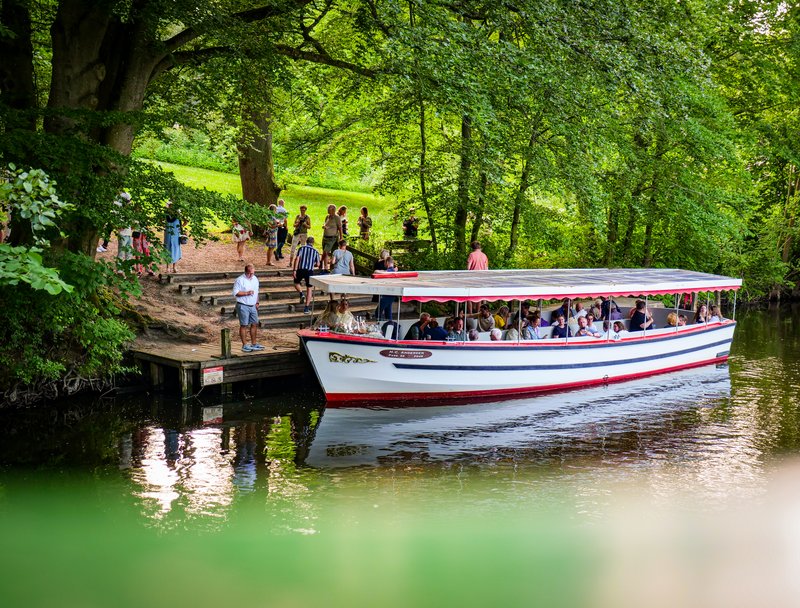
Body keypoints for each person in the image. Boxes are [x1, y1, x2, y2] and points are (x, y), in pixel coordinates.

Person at [232, 264, 263, 352]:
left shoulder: (255, 279)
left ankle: (254, 343)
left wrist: (257, 302)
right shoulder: (240, 280)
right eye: (249, 273)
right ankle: (244, 344)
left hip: (253, 305)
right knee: (244, 325)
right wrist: (246, 293)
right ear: (246, 272)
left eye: (252, 273)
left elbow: (257, 292)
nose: (251, 275)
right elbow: (235, 293)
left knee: (254, 324)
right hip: (243, 305)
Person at [293, 236, 321, 314]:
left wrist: (294, 270)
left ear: (306, 241)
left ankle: (301, 293)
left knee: (296, 283)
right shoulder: (316, 251)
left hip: (300, 269)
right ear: (313, 243)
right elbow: (318, 264)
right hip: (309, 271)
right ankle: (306, 308)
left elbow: (297, 259)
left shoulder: (301, 248)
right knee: (309, 289)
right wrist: (313, 264)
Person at [321, 204, 343, 272]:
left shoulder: (337, 218)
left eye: (329, 210)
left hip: (332, 238)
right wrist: (324, 226)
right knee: (325, 251)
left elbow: (340, 228)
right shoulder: (327, 216)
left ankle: (329, 268)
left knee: (327, 251)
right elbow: (325, 224)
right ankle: (325, 267)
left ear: (333, 210)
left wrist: (341, 238)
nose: (327, 211)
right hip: (325, 237)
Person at [164, 200, 183, 273]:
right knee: (167, 248)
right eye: (170, 205)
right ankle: (168, 267)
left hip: (175, 235)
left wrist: (179, 229)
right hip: (168, 234)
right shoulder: (166, 215)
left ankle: (174, 267)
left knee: (175, 249)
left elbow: (185, 221)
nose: (171, 207)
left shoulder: (178, 215)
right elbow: (160, 221)